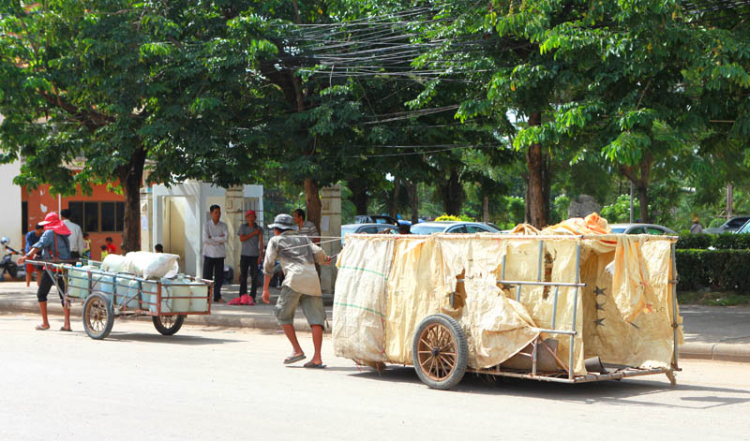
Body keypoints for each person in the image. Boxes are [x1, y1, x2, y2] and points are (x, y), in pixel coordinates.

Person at [262, 213, 331, 368]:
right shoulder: (304, 239)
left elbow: (268, 266)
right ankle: (317, 358)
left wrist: (265, 289)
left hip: (294, 280)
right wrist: (324, 260)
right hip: (312, 280)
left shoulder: (276, 240)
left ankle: (297, 350)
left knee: (282, 314)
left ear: (277, 230)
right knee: (316, 320)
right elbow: (319, 253)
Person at [18, 212, 73, 331]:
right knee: (64, 295)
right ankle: (67, 324)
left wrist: (26, 256)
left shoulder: (49, 232)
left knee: (41, 294)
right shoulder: (63, 232)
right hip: (64, 266)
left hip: (52, 268)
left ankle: (45, 323)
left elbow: (39, 245)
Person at [237, 210, 263, 305]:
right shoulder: (243, 227)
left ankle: (252, 296)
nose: (250, 218)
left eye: (252, 216)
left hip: (254, 255)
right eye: (249, 216)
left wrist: (261, 255)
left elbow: (261, 241)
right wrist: (253, 233)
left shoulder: (259, 228)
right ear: (246, 218)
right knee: (243, 276)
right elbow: (242, 238)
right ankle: (242, 295)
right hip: (244, 255)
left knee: (254, 277)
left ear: (255, 218)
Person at [203, 204, 227, 303]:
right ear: (211, 213)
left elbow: (226, 238)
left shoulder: (223, 225)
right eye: (216, 212)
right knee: (207, 276)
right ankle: (207, 296)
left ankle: (217, 296)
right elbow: (205, 239)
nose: (218, 215)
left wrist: (212, 238)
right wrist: (219, 239)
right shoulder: (206, 225)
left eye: (219, 212)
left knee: (219, 276)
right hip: (208, 254)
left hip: (220, 254)